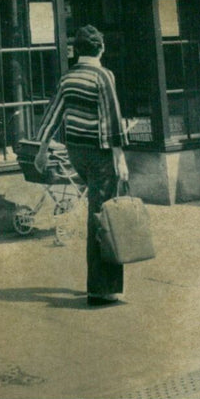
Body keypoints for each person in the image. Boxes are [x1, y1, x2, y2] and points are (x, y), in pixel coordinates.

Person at [34, 24, 129, 306]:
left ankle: (102, 284)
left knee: (97, 213)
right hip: (99, 155)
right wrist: (119, 158)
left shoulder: (68, 78)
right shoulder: (103, 76)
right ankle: (101, 289)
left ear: (76, 50)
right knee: (102, 217)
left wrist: (41, 150)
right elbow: (113, 116)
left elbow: (53, 114)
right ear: (101, 48)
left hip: (76, 153)